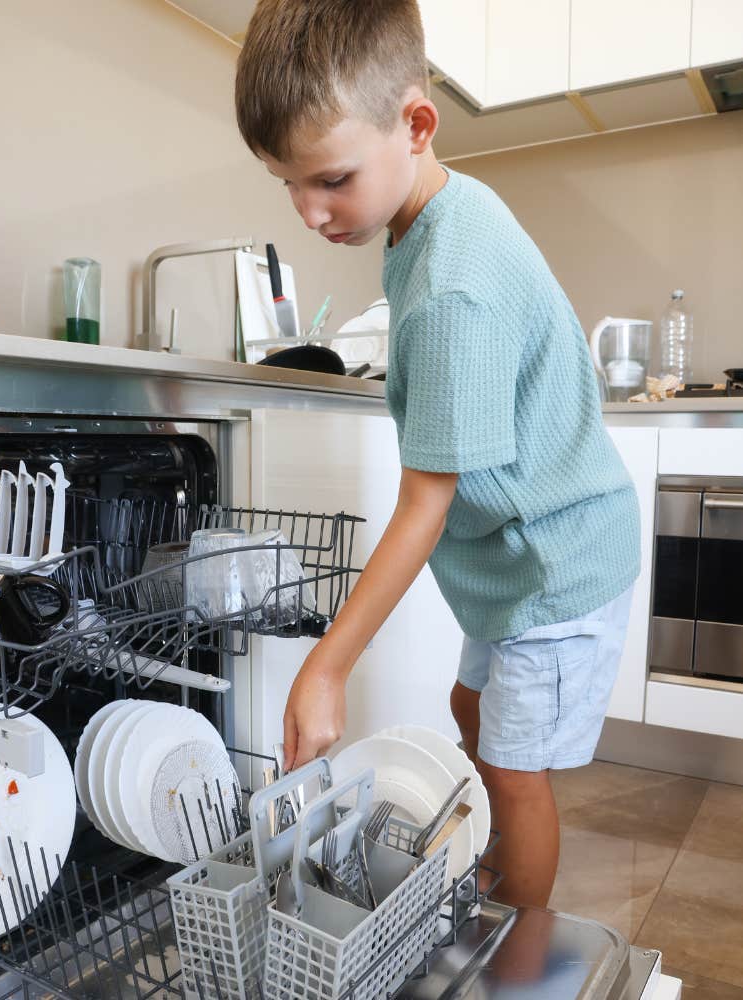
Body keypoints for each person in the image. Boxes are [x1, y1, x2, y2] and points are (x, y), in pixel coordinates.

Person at [234, 0, 639, 909]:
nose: (309, 211)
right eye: (287, 183)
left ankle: (519, 948)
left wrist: (325, 666)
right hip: (513, 558)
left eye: (331, 179)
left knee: (516, 768)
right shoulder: (428, 216)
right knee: (471, 713)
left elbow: (427, 503)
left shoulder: (456, 285)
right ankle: (492, 873)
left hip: (557, 566)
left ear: (416, 125)